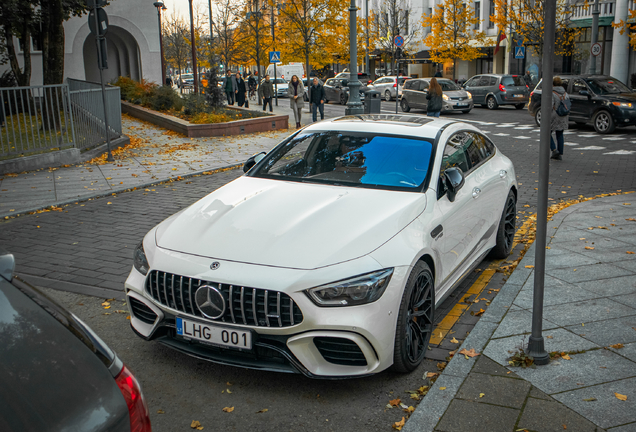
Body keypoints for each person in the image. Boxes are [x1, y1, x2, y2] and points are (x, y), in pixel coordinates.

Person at [550, 76, 569, 161]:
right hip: (563, 116)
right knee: (560, 133)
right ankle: (560, 152)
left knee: (547, 133)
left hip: (555, 116)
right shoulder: (565, 93)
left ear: (553, 84)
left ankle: (554, 150)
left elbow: (550, 105)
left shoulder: (553, 93)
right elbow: (568, 106)